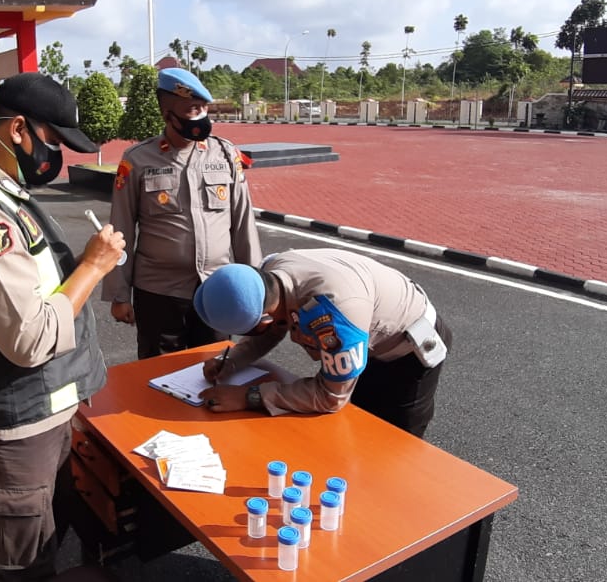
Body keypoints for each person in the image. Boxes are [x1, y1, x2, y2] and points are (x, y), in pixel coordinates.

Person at [0, 72, 124, 581]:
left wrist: (78, 266)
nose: (56, 155)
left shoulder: (6, 193)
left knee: (48, 542)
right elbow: (29, 337)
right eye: (52, 141)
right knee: (22, 566)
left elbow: (37, 291)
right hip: (12, 429)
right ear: (17, 129)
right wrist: (93, 268)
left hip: (42, 412)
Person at [191, 249, 453, 439]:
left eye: (251, 330)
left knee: (394, 445)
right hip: (364, 334)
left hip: (407, 352)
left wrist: (248, 397)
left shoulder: (334, 314)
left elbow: (329, 397)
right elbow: (273, 326)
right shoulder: (271, 278)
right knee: (353, 431)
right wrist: (233, 361)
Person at [101, 67, 261, 359]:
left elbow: (243, 226)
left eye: (202, 108)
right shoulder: (138, 160)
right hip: (159, 294)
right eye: (191, 109)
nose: (200, 116)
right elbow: (121, 228)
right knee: (158, 376)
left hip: (217, 288)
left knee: (216, 371)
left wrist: (259, 292)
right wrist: (119, 294)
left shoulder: (225, 155)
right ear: (168, 115)